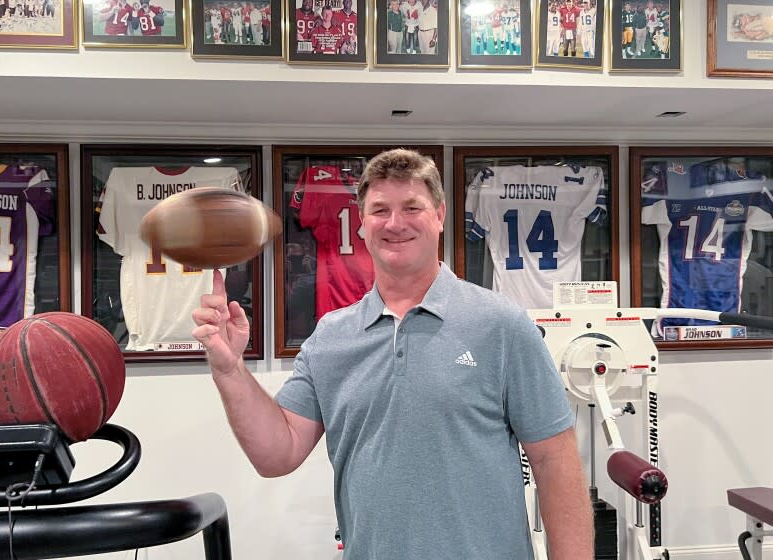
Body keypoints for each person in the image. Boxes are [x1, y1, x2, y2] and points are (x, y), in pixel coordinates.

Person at [192, 149, 593, 559]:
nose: (395, 223)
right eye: (380, 209)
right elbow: (277, 455)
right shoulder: (331, 338)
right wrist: (229, 367)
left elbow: (555, 464)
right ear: (363, 223)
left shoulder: (502, 325)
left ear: (439, 215)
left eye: (412, 207)